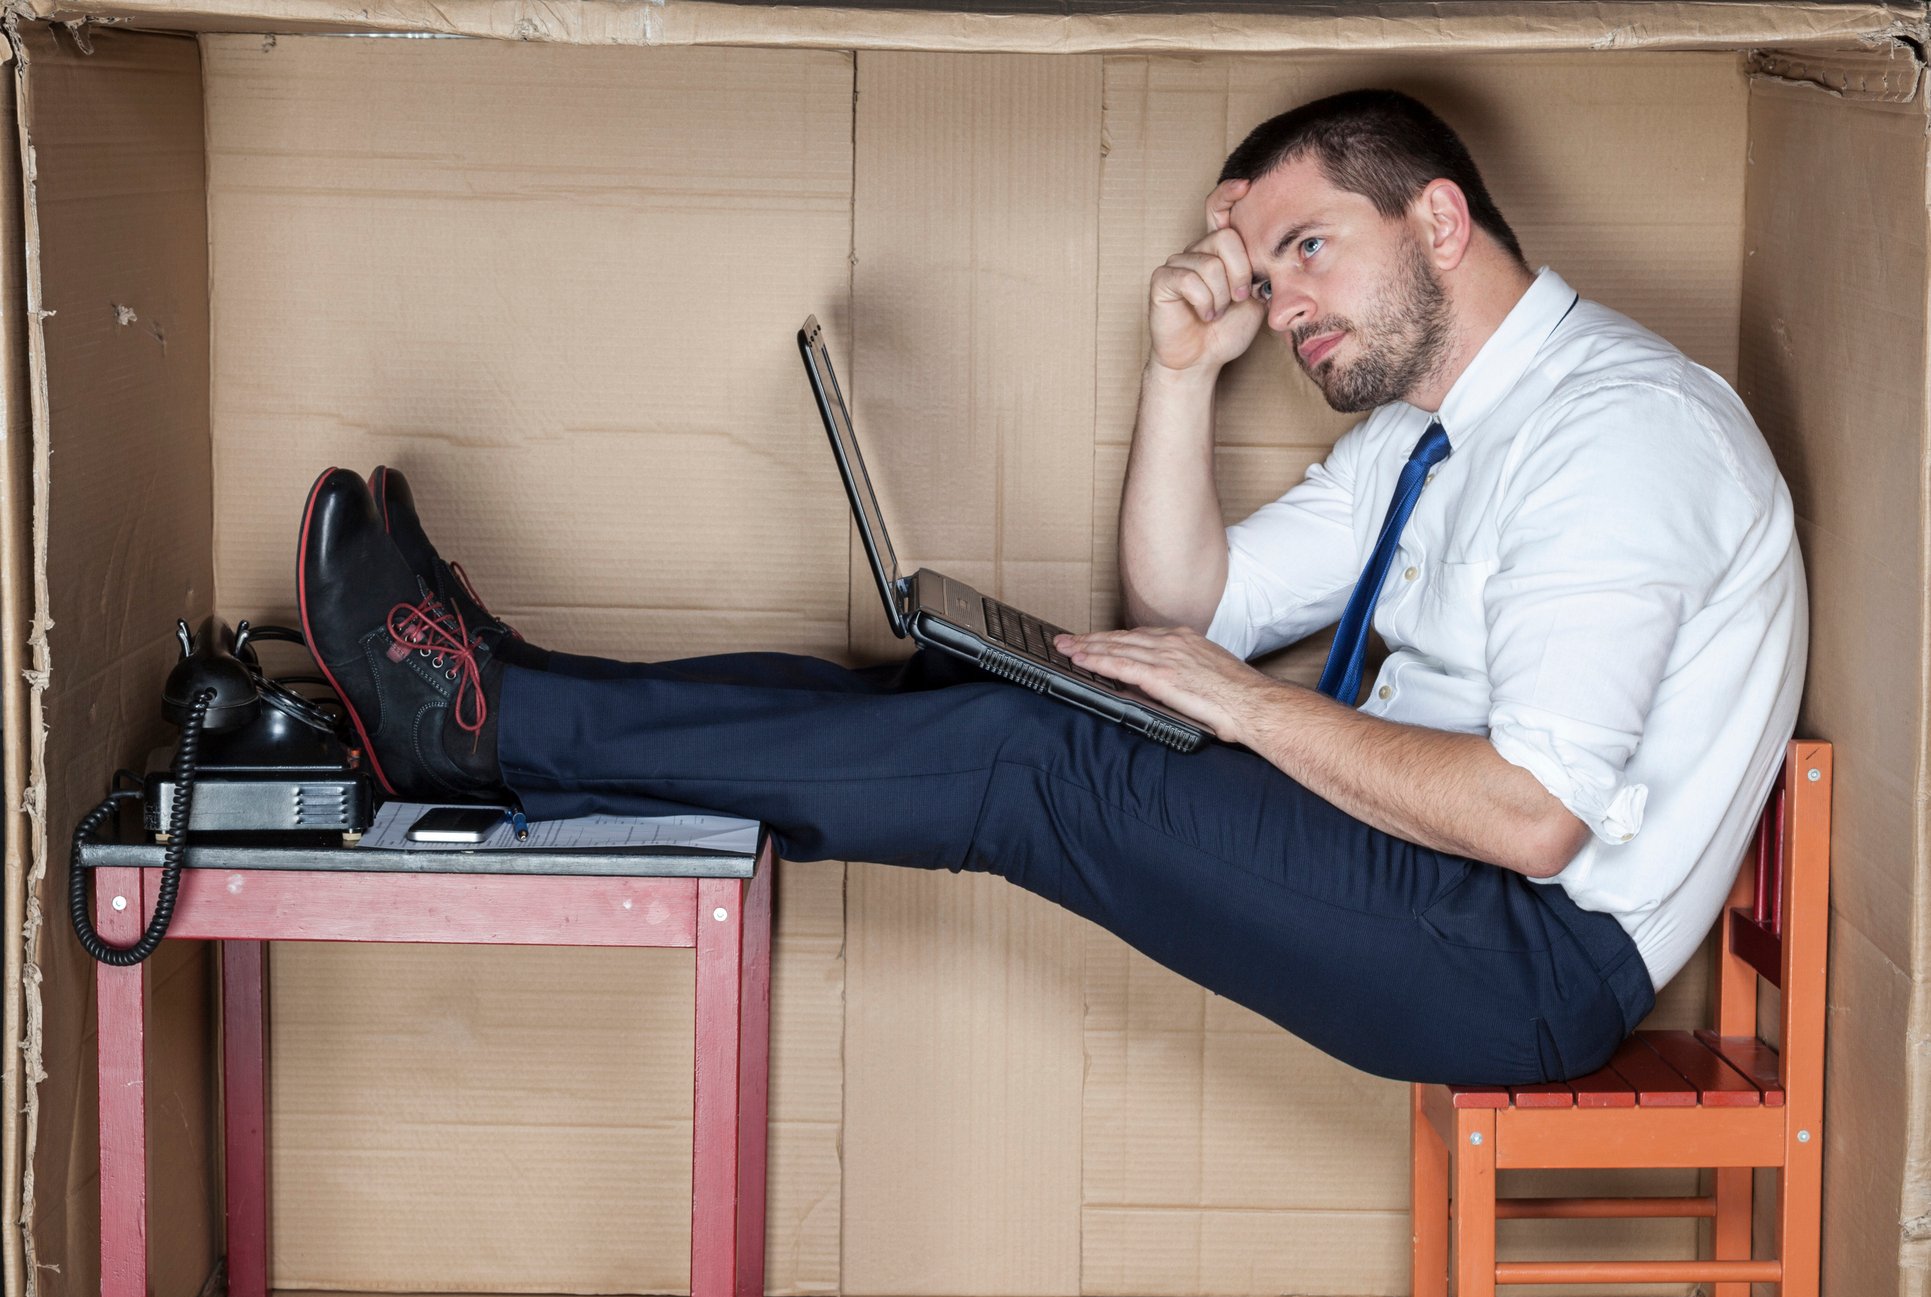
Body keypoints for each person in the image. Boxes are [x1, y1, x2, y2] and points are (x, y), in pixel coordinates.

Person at [295, 89, 1805, 1087]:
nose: (1282, 305)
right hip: (1415, 870)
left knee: (1034, 761)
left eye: (1307, 251)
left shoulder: (1620, 435)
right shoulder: (1435, 424)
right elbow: (1186, 612)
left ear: (1441, 221)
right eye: (1266, 275)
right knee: (975, 689)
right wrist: (1181, 379)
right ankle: (498, 702)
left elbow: (1531, 820)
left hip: (1515, 960)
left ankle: (487, 730)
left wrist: (1251, 718)